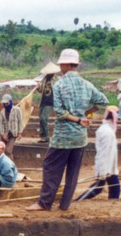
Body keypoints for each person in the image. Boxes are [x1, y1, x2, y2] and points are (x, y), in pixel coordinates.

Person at [27, 49, 108, 212]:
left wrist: (78, 118)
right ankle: (65, 204)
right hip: (80, 137)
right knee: (73, 171)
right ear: (75, 65)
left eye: (61, 64)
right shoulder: (87, 84)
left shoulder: (60, 85)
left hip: (63, 137)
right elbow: (103, 102)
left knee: (51, 167)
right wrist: (87, 113)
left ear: (64, 64)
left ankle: (45, 203)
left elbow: (60, 113)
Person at [76, 106, 120, 201]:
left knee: (115, 187)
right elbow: (103, 153)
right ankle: (78, 201)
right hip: (105, 167)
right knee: (98, 187)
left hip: (110, 167)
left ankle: (113, 203)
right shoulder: (106, 131)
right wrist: (103, 172)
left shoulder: (108, 130)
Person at [38, 63, 59, 143]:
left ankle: (46, 137)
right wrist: (38, 88)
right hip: (43, 100)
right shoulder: (44, 79)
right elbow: (41, 91)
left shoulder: (56, 80)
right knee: (41, 119)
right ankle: (43, 136)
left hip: (50, 102)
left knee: (44, 118)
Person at [0, 94, 23, 158]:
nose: (5, 105)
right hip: (5, 133)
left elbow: (20, 121)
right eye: (4, 103)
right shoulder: (2, 112)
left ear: (10, 102)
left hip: (13, 134)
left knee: (8, 151)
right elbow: (1, 124)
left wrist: (19, 133)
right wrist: (3, 135)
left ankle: (11, 166)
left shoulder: (17, 110)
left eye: (7, 103)